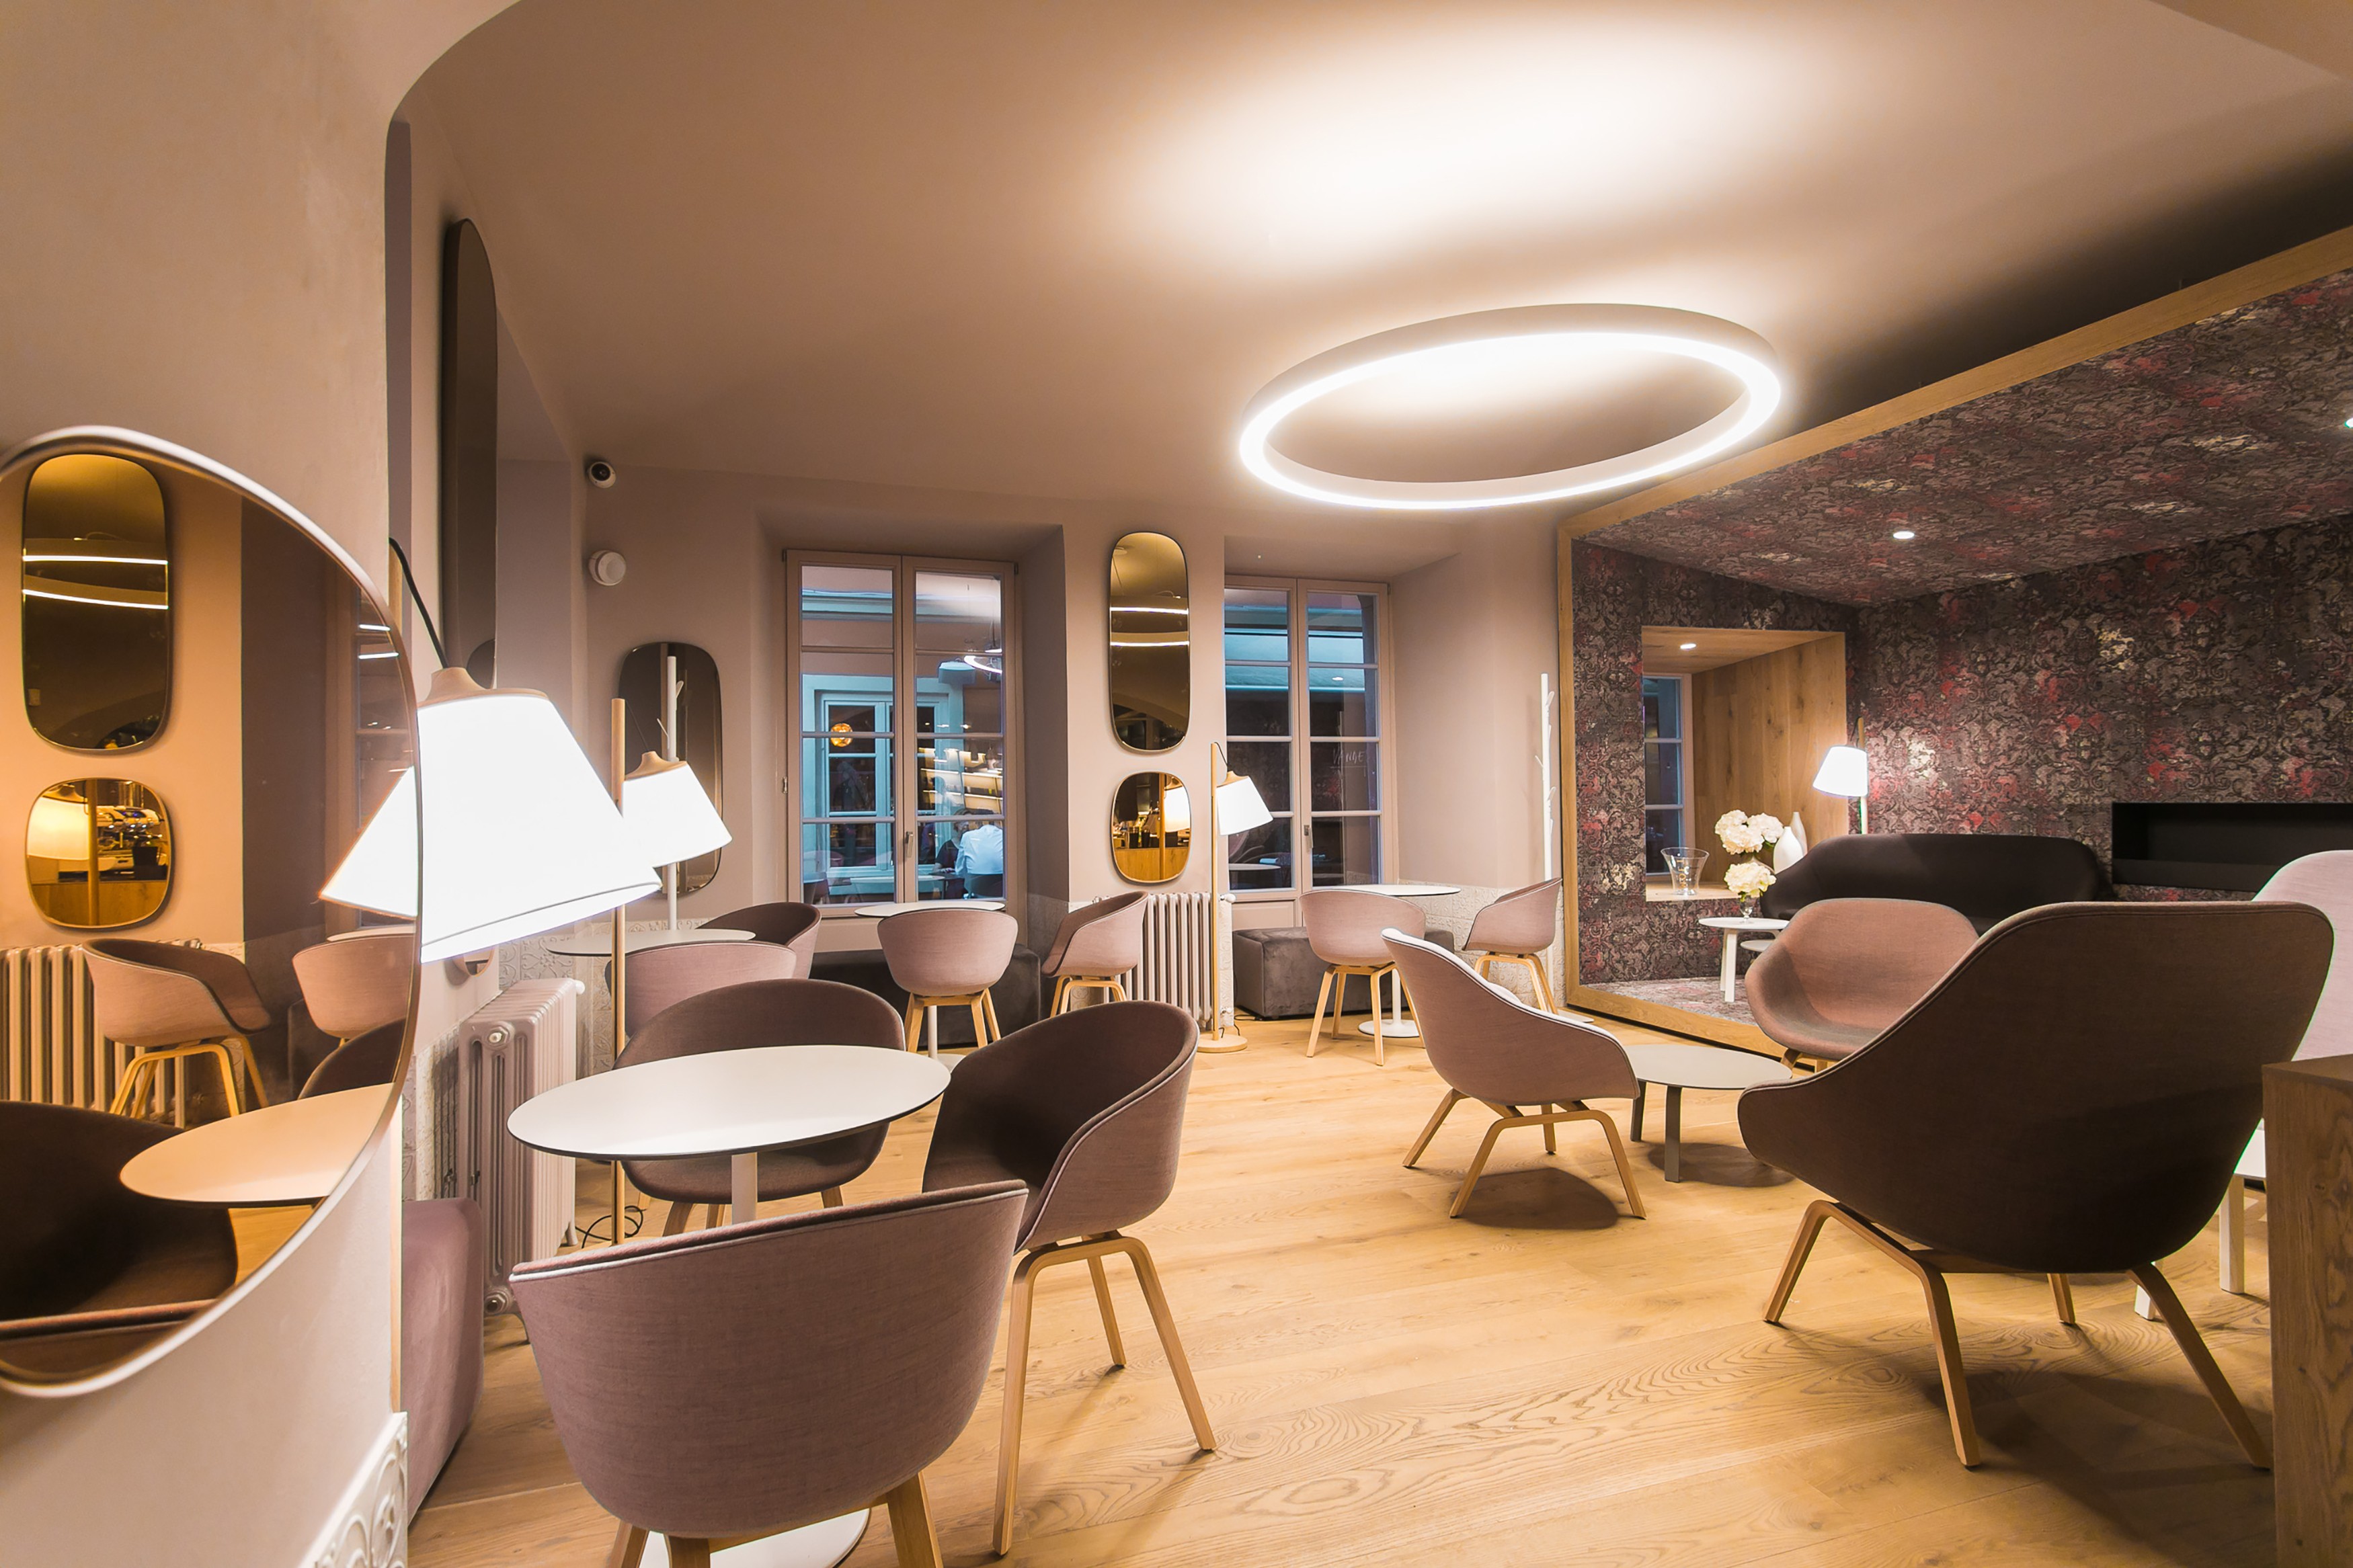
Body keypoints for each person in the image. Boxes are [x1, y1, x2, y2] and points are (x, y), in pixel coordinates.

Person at [954, 819, 1005, 897]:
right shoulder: (1005, 835)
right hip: (1003, 889)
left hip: (976, 889)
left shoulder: (968, 836)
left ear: (978, 822)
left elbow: (960, 870)